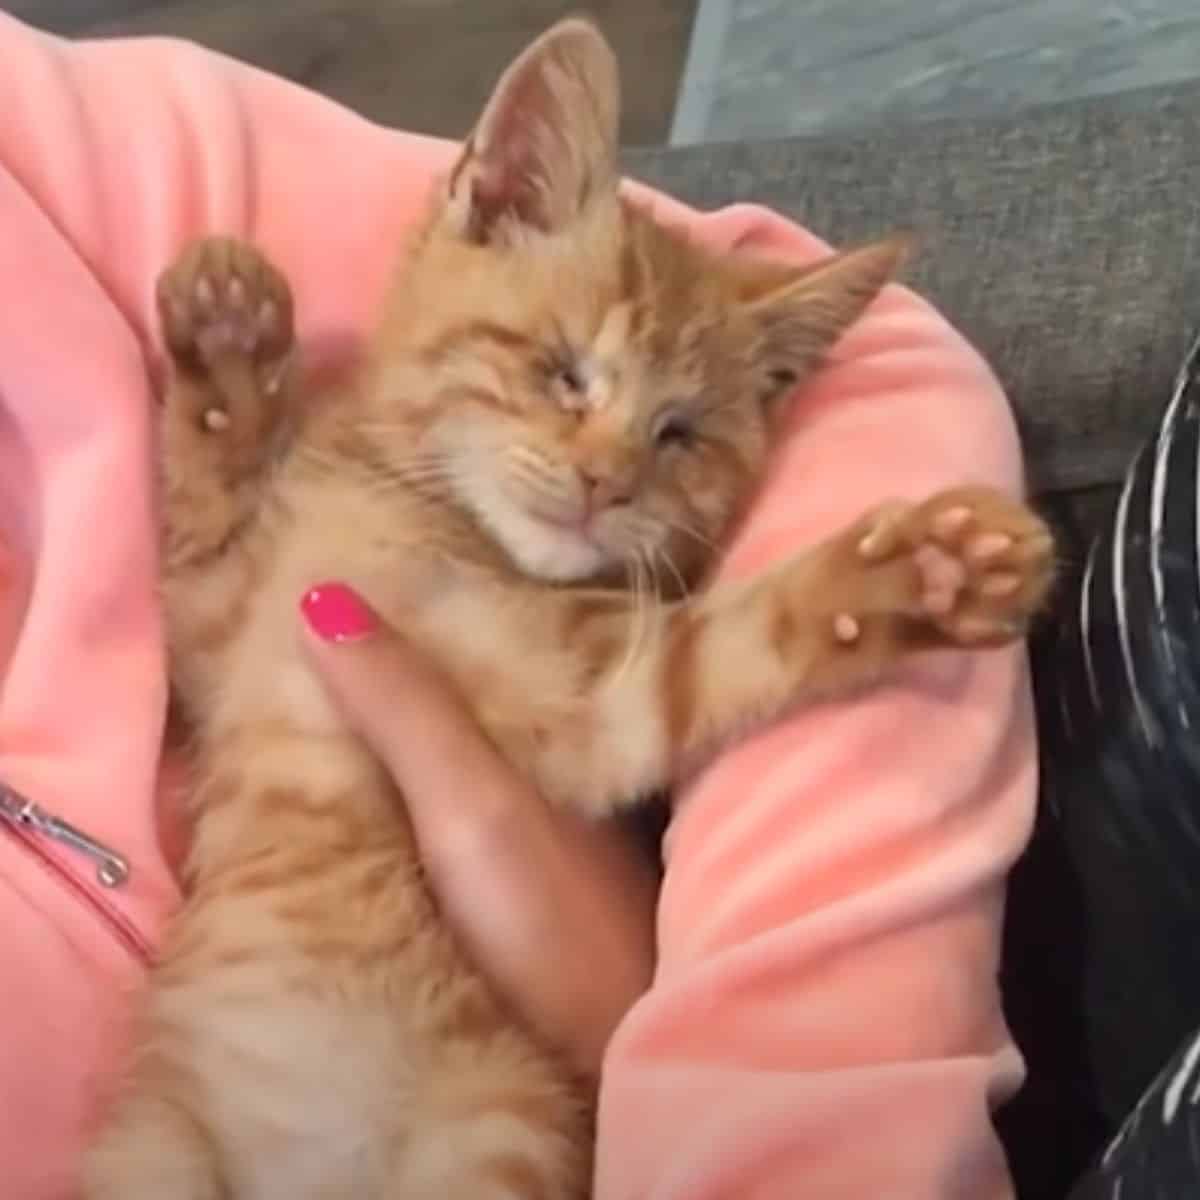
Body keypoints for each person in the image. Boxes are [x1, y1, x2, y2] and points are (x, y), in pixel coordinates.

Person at [0, 12, 1036, 1198]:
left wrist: (839, 593)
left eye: (677, 435)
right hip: (216, 1065)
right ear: (485, 211)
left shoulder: (566, 606)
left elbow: (623, 707)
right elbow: (207, 624)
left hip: (459, 1069)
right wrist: (229, 430)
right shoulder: (347, 476)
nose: (604, 469)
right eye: (563, 377)